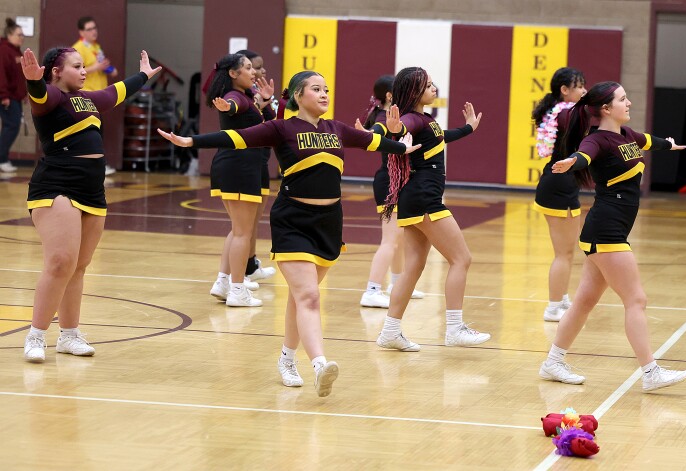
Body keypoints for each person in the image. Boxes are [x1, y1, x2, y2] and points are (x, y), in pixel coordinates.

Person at [158, 70, 421, 397]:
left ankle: (286, 359)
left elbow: (372, 141)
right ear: (298, 95)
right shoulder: (281, 128)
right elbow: (237, 137)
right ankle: (320, 364)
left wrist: (400, 146)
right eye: (316, 89)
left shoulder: (337, 129)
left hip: (329, 223)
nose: (324, 94)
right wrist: (191, 141)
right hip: (293, 220)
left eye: (326, 88)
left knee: (302, 297)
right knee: (309, 297)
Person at [539, 81, 686, 392]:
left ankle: (553, 362)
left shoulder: (627, 136)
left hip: (610, 229)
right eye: (623, 99)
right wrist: (573, 162)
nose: (629, 103)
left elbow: (649, 141)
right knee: (636, 299)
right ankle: (650, 372)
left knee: (583, 301)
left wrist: (670, 144)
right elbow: (585, 155)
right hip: (606, 229)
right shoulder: (597, 140)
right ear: (606, 109)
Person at [21, 47, 160, 362]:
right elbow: (39, 96)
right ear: (56, 71)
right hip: (57, 183)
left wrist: (144, 75)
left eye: (84, 66)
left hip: (92, 189)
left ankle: (69, 335)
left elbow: (116, 92)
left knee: (79, 267)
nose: (84, 71)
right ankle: (36, 335)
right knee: (60, 262)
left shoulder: (89, 99)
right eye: (76, 66)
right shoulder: (53, 97)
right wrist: (33, 82)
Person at [374, 66, 490, 352]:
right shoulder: (412, 118)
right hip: (425, 198)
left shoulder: (427, 120)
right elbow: (399, 129)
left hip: (415, 198)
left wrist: (468, 129)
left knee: (413, 266)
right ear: (414, 91)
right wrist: (390, 130)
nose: (434, 88)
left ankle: (390, 331)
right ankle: (454, 328)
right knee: (462, 258)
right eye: (428, 86)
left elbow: (441, 136)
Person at [205, 53, 276, 307]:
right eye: (247, 68)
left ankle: (224, 283)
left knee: (238, 231)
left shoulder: (247, 96)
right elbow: (234, 105)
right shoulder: (235, 97)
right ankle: (237, 290)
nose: (253, 72)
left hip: (239, 167)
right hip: (239, 168)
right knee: (243, 233)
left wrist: (265, 101)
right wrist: (229, 107)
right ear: (234, 74)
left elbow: (264, 122)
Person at [357, 74, 425, 308]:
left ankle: (398, 284)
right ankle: (372, 290)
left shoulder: (394, 117)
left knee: (398, 239)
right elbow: (375, 132)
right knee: (390, 240)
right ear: (389, 95)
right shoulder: (383, 118)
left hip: (394, 180)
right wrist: (367, 135)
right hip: (389, 182)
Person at [531, 67, 586, 321]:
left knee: (567, 251)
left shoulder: (563, 112)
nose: (584, 91)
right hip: (559, 185)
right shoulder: (567, 114)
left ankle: (562, 298)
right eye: (579, 86)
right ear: (565, 90)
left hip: (561, 182)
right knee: (563, 253)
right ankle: (553, 308)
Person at [235, 49, 277, 282]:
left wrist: (267, 102)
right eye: (254, 67)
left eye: (259, 67)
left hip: (260, 160)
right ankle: (237, 276)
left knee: (254, 221)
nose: (260, 71)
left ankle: (250, 265)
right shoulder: (241, 97)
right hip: (245, 164)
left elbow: (272, 121)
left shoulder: (258, 95)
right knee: (244, 225)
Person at [72, 16, 118, 175]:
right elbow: (75, 70)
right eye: (89, 29)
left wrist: (109, 69)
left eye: (95, 28)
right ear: (81, 32)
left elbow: (101, 65)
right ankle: (94, 166)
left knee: (97, 132)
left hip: (99, 95)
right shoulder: (78, 48)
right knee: (92, 133)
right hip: (87, 95)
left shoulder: (96, 47)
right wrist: (96, 67)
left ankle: (96, 165)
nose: (93, 31)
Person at [0, 18, 25, 173]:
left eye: (22, 34)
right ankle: (1, 159)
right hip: (7, 97)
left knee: (11, 127)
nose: (21, 37)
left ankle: (3, 158)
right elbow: (1, 75)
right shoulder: (4, 50)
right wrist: (4, 96)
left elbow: (18, 77)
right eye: (19, 34)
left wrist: (25, 94)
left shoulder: (17, 51)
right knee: (11, 126)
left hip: (15, 96)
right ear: (9, 35)